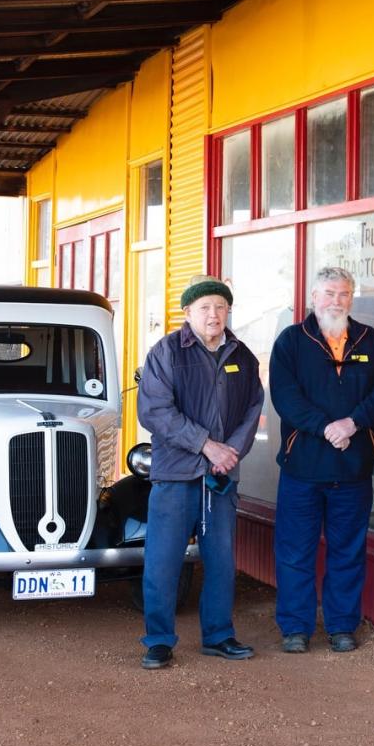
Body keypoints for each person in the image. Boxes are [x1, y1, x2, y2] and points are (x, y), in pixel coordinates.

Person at [136, 275, 264, 670]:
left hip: (221, 477)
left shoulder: (242, 355)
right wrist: (205, 445)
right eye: (205, 307)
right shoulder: (166, 353)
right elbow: (155, 411)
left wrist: (230, 455)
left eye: (221, 307)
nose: (214, 314)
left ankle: (219, 635)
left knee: (222, 559)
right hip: (176, 475)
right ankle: (158, 640)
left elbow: (252, 409)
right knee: (163, 560)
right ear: (188, 312)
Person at [270, 266, 374, 653]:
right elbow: (285, 397)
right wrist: (327, 427)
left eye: (342, 294)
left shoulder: (371, 341)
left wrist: (352, 423)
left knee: (347, 550)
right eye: (327, 293)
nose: (335, 301)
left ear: (351, 298)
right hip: (302, 468)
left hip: (352, 468)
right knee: (295, 551)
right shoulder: (291, 341)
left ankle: (342, 626)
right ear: (312, 297)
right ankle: (295, 628)